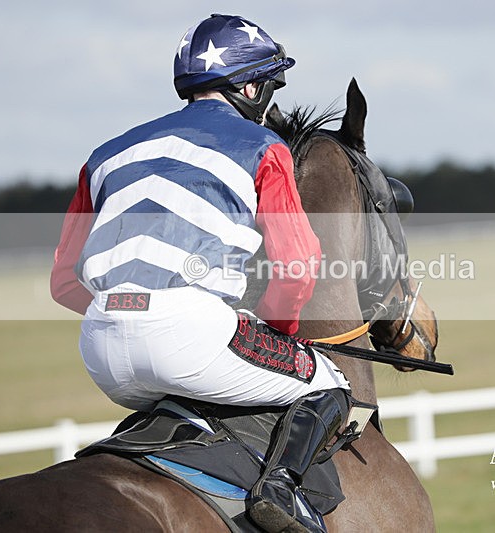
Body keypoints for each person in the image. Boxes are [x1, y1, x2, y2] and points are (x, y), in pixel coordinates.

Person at [50, 14, 351, 533]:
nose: (270, 102)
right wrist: (278, 335)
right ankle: (278, 491)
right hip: (188, 336)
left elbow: (64, 282)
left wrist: (128, 308)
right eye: (270, 87)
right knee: (330, 384)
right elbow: (299, 266)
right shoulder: (264, 146)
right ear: (251, 86)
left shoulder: (104, 154)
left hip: (100, 349)